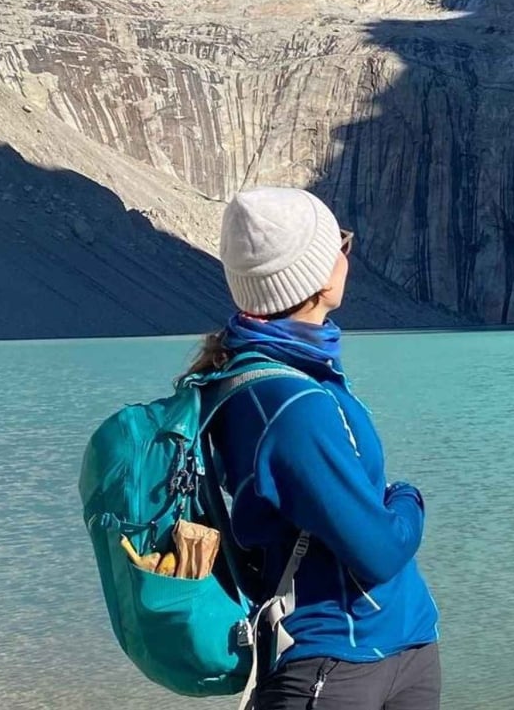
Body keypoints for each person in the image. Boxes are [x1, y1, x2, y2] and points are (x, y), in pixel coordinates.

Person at [185, 187, 440, 710]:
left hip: (394, 642)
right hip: (335, 666)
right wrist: (410, 497)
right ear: (317, 275)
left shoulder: (287, 372)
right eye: (340, 243)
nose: (348, 254)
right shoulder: (288, 402)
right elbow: (380, 550)